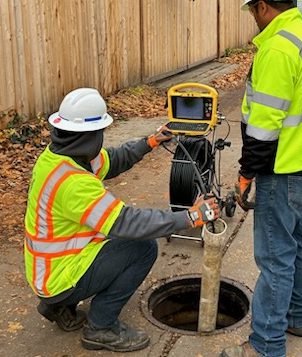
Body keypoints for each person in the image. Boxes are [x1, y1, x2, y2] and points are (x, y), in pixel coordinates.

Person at [24, 87, 220, 352]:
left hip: (46, 271)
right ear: (91, 136)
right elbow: (130, 223)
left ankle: (57, 307)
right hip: (60, 277)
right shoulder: (73, 183)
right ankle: (100, 327)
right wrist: (190, 216)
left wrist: (151, 142)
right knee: (142, 248)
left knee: (107, 235)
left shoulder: (59, 157)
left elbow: (114, 160)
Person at [221, 0, 302, 356]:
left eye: (253, 10)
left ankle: (266, 344)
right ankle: (299, 316)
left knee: (275, 257)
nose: (253, 18)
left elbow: (264, 129)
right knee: (297, 242)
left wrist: (246, 173)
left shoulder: (278, 47)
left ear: (263, 6)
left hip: (281, 171)